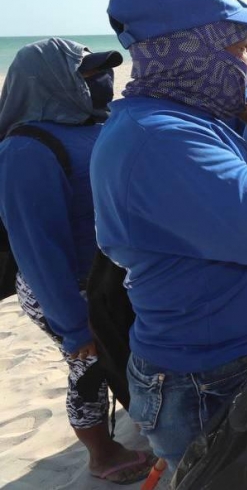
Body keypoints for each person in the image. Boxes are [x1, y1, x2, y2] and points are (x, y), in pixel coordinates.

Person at [92, 0, 247, 471]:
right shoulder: (161, 136)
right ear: (191, 48)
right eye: (236, 47)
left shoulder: (195, 115)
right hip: (212, 382)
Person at [0, 38, 157, 484]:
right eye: (87, 75)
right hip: (68, 286)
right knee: (90, 366)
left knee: (124, 355)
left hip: (111, 277)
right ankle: (100, 452)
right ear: (50, 82)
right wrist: (71, 324)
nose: (103, 81)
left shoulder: (97, 123)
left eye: (102, 71)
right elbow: (36, 247)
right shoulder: (26, 148)